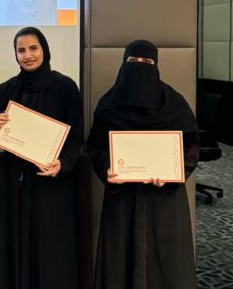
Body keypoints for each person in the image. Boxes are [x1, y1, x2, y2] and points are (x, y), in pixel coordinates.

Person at [87, 40, 199, 289]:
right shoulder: (109, 104)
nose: (139, 67)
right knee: (120, 262)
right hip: (123, 200)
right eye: (133, 61)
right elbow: (96, 146)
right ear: (123, 64)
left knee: (166, 266)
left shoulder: (174, 103)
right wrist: (107, 171)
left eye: (147, 62)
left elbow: (192, 146)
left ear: (156, 66)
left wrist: (174, 172)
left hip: (164, 201)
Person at [0, 26, 82, 288]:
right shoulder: (7, 89)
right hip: (16, 184)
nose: (28, 55)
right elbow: (5, 138)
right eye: (21, 50)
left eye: (33, 48)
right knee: (18, 246)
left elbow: (76, 135)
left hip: (51, 182)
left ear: (44, 49)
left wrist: (62, 164)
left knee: (51, 252)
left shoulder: (65, 87)